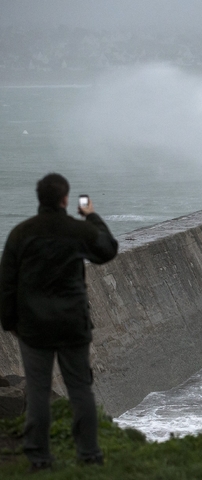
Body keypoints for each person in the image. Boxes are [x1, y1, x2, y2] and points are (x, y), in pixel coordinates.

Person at [0, 173, 118, 471]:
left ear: (40, 198)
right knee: (80, 390)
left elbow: (6, 284)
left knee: (38, 392)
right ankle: (89, 455)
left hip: (34, 328)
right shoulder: (76, 230)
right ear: (66, 199)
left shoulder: (20, 234)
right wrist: (92, 217)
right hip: (72, 325)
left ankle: (39, 459)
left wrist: (10, 323)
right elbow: (108, 250)